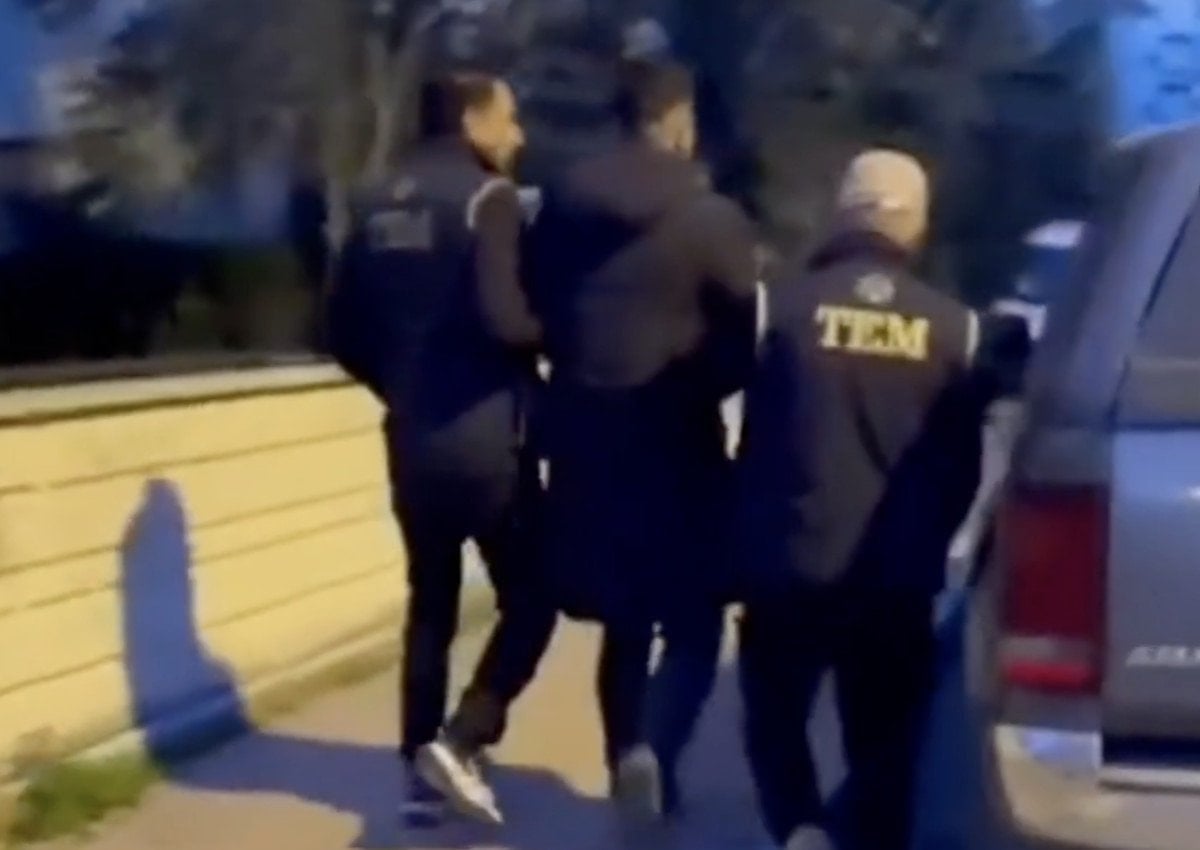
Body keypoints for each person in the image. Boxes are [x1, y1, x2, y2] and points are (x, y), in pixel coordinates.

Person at [734, 150, 1022, 850]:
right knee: (886, 739)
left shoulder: (778, 310)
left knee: (774, 715)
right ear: (916, 225)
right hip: (896, 572)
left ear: (843, 214)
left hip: (789, 560)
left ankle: (799, 826)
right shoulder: (957, 331)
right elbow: (966, 461)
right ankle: (859, 835)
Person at [528, 58, 759, 820]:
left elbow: (535, 305)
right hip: (678, 439)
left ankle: (625, 752)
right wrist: (696, 384)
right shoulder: (713, 218)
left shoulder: (560, 205)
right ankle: (654, 752)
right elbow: (738, 346)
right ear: (677, 120)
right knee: (694, 620)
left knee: (623, 619)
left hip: (585, 440)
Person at [327, 71, 556, 827]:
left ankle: (418, 779)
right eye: (508, 119)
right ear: (472, 121)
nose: (517, 136)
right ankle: (463, 738)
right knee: (535, 594)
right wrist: (554, 334)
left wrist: (399, 385)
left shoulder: (371, 203)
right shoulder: (487, 200)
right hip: (487, 436)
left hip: (411, 437)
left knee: (431, 605)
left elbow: (339, 330)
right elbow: (506, 318)